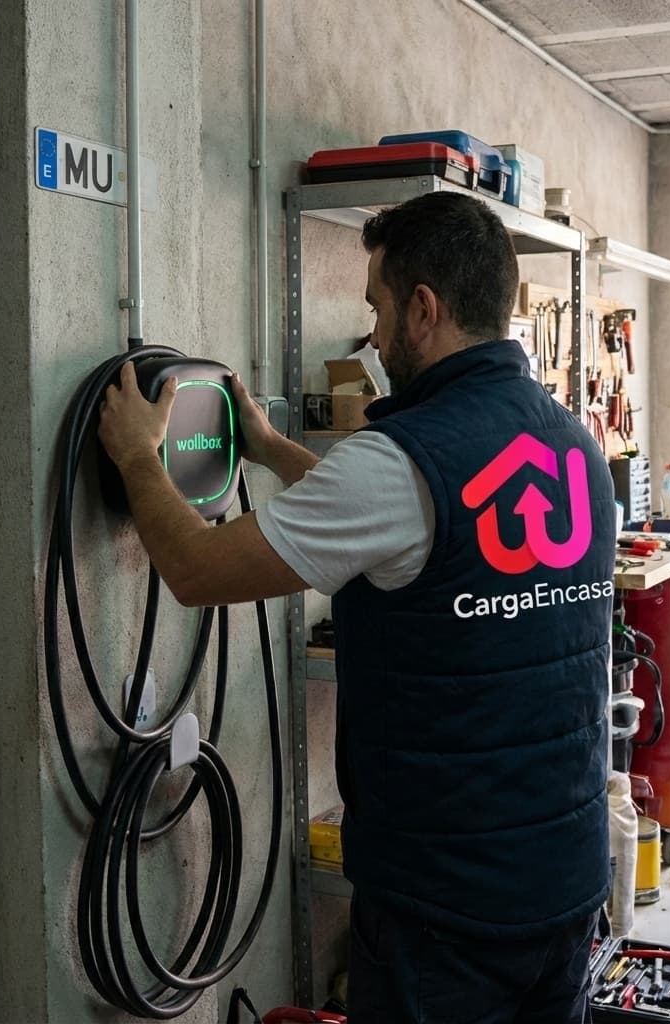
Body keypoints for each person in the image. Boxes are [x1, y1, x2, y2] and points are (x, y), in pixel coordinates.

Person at [98, 190, 617, 1024]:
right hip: (564, 877)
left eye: (377, 308)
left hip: (445, 909)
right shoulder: (569, 444)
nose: (373, 336)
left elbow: (194, 570)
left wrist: (135, 459)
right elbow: (413, 531)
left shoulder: (398, 462)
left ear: (423, 308)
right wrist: (267, 451)